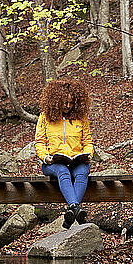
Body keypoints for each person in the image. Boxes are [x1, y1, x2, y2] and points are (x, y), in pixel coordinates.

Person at [35, 79, 94, 228]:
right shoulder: (45, 117)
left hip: (76, 161)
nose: (67, 106)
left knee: (82, 171)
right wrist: (45, 157)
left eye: (71, 103)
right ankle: (76, 209)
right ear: (56, 101)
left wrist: (87, 154)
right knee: (63, 171)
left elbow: (88, 141)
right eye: (64, 102)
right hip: (53, 163)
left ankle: (72, 211)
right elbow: (39, 142)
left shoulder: (81, 118)